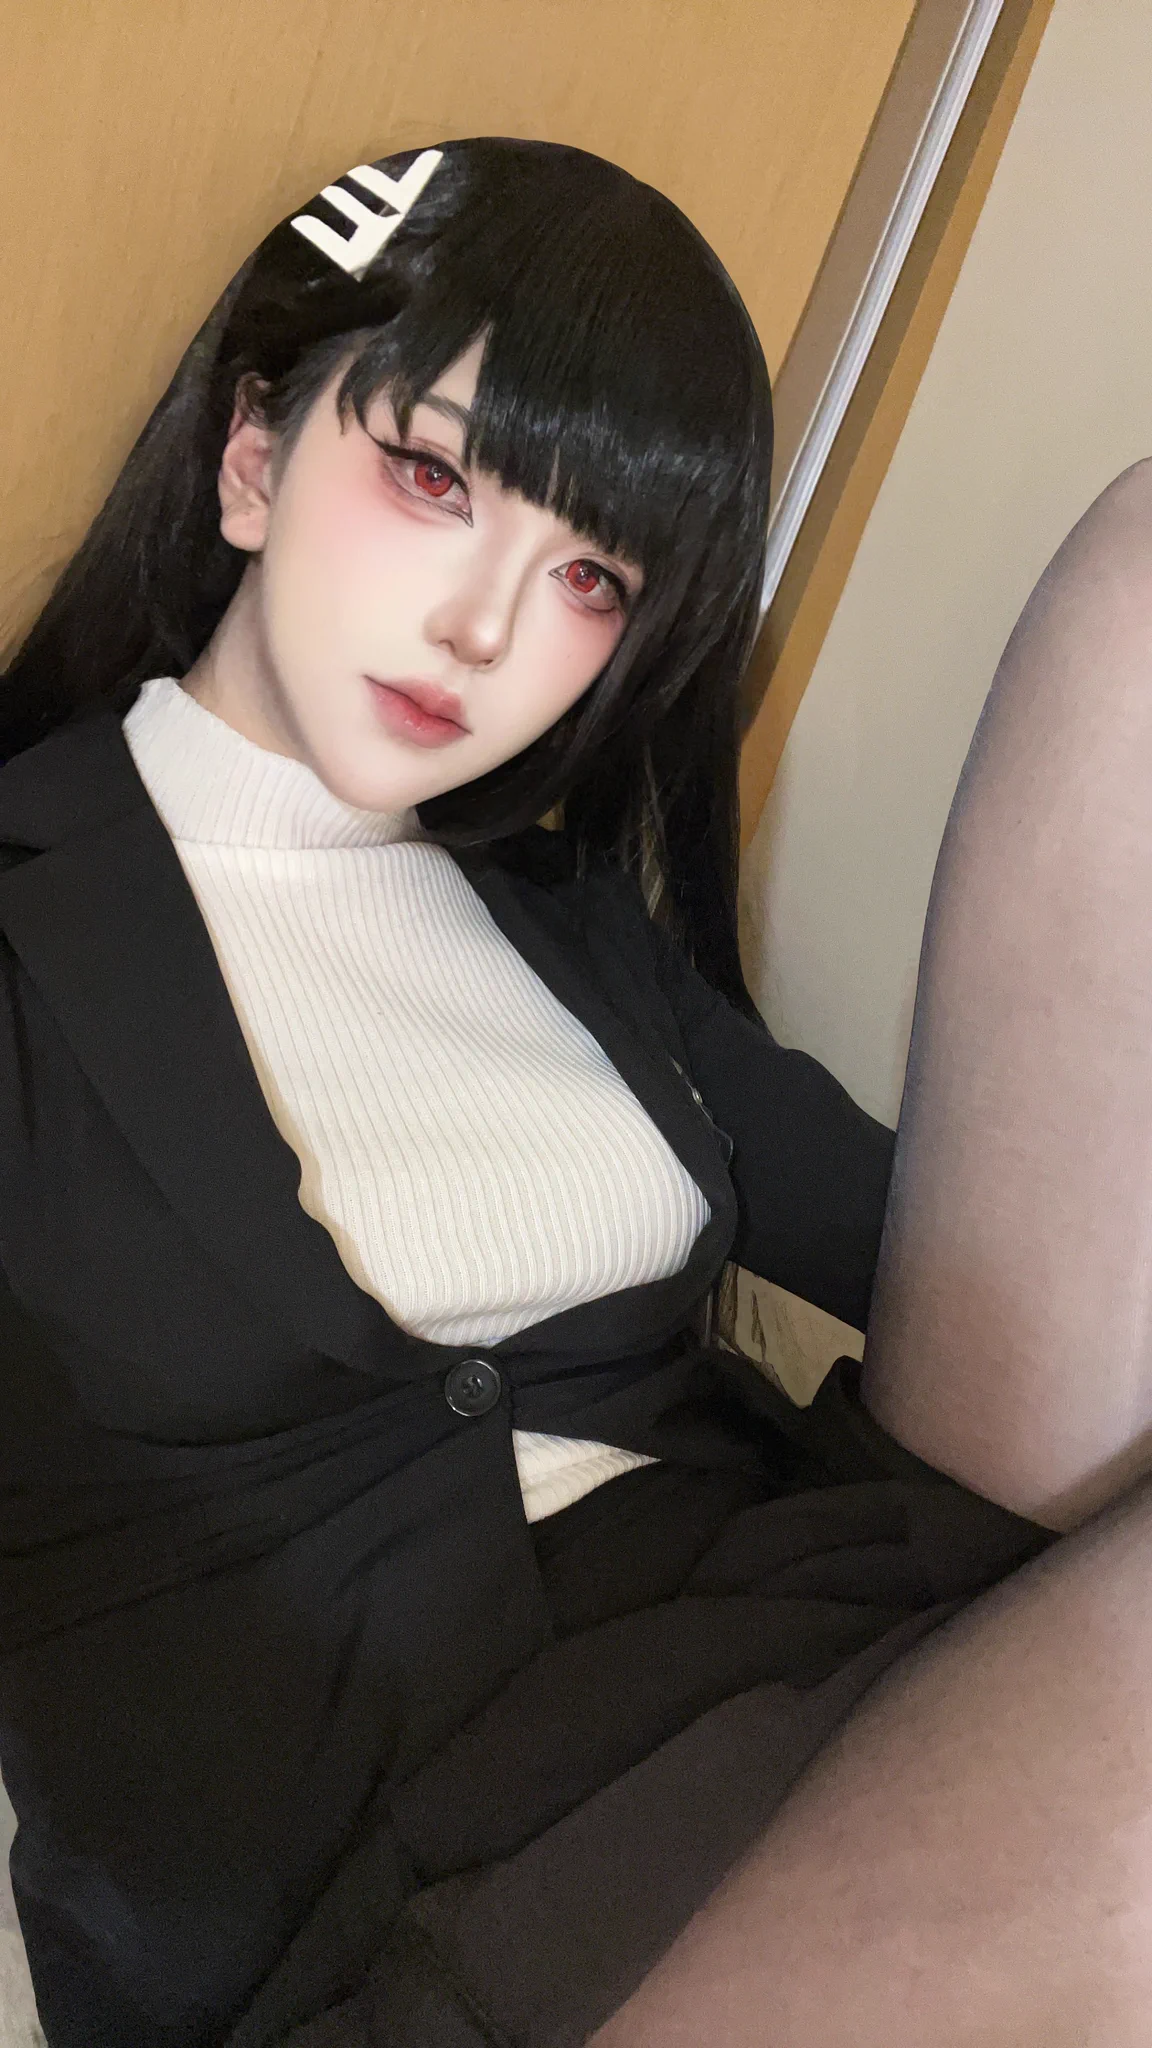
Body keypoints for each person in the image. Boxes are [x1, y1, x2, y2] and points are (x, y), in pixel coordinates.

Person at [0, 133, 1146, 2048]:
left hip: (800, 1647)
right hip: (400, 1909)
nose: (485, 627)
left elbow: (947, 1244)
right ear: (253, 454)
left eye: (589, 574)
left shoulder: (567, 928)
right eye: (433, 477)